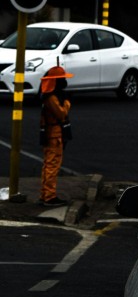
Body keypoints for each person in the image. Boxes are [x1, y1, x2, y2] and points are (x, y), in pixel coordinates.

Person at [38, 66, 74, 207]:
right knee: (52, 166)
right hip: (54, 136)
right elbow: (61, 114)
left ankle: (45, 194)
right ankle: (49, 196)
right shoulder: (52, 98)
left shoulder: (51, 96)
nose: (64, 81)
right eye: (62, 79)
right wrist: (67, 103)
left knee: (48, 165)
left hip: (53, 135)